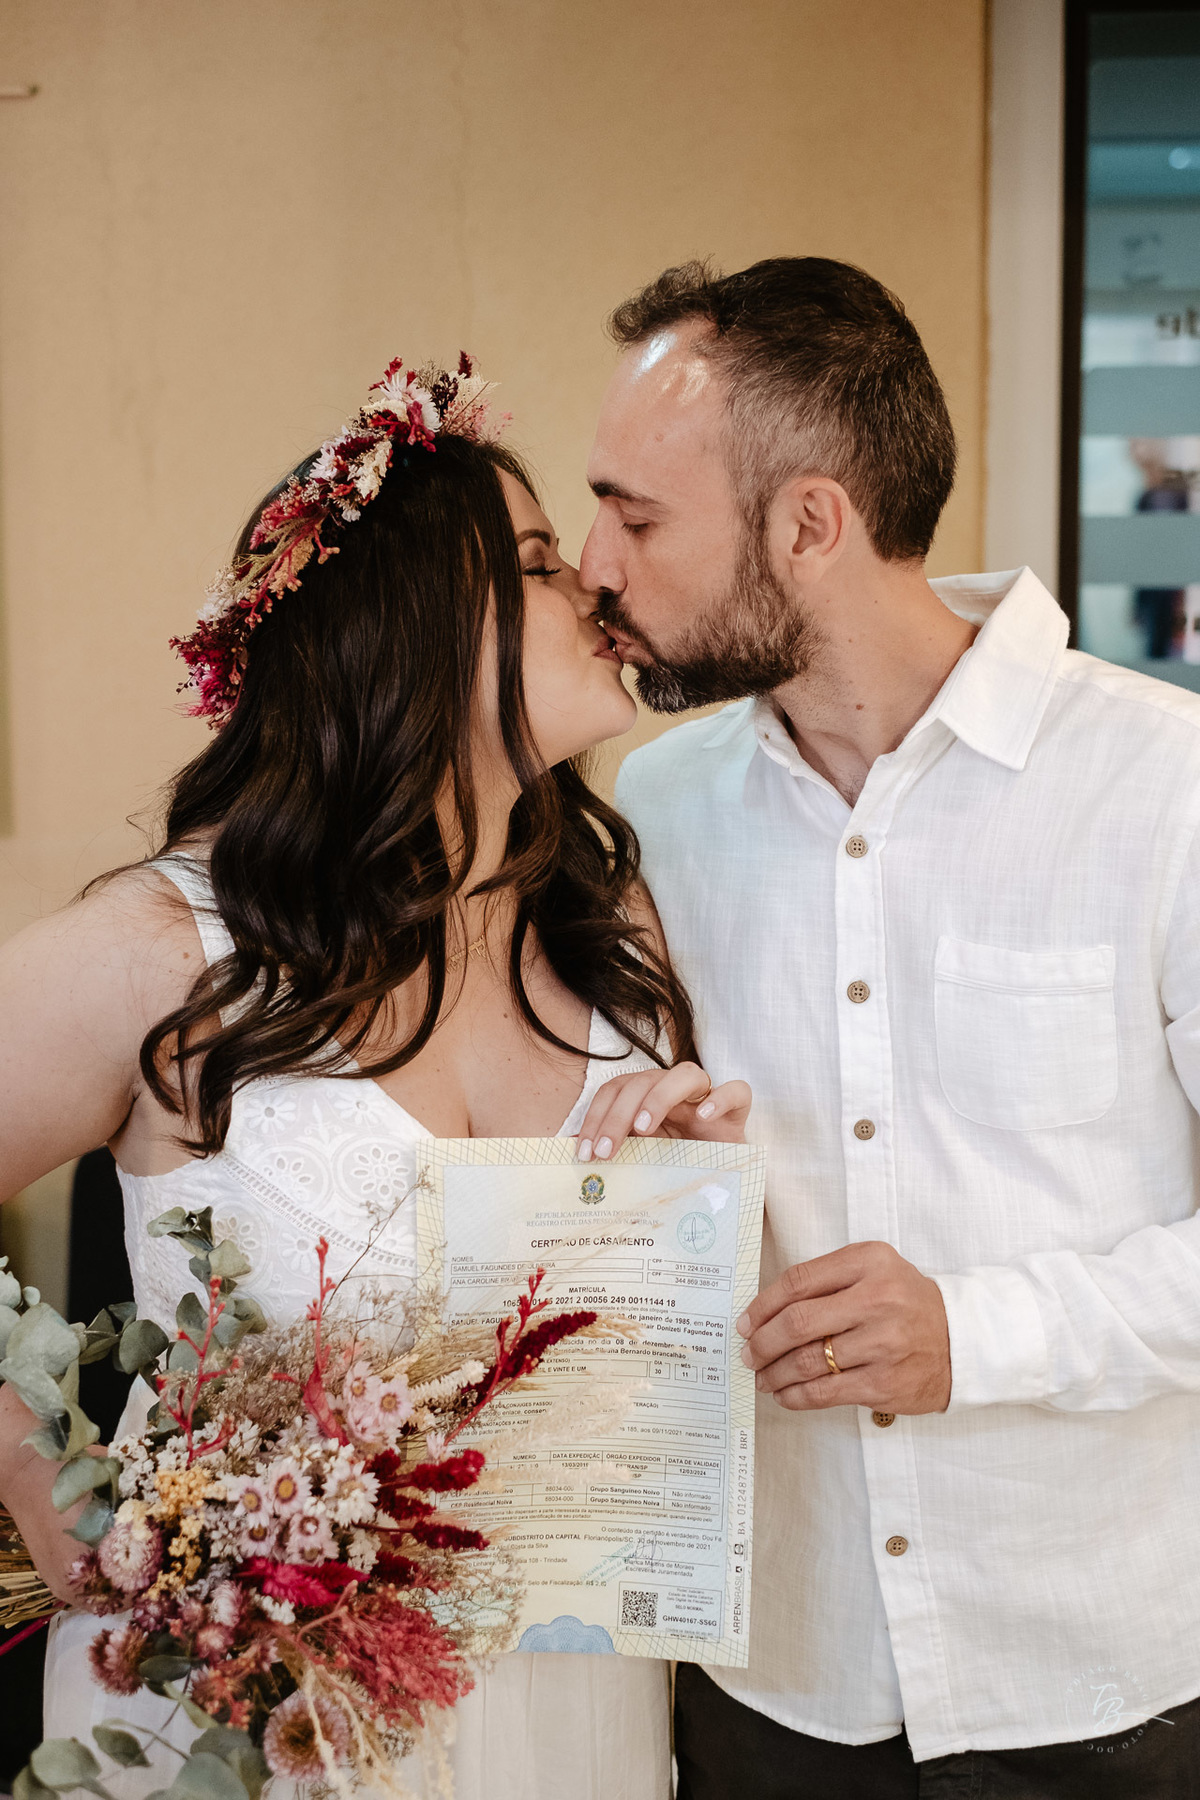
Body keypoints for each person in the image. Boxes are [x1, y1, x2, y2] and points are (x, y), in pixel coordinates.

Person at [0, 354, 751, 1800]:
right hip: (252, 1721)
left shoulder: (612, 932)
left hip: (575, 1705)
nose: (595, 586)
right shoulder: (169, 952)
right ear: (405, 627)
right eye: (536, 562)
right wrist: (49, 1481)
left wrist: (698, 1182)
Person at [581, 257, 1200, 1798]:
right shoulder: (653, 809)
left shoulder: (1168, 792)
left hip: (1101, 1684)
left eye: (638, 517)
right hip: (773, 1679)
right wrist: (654, 1169)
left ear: (809, 521)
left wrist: (972, 1335)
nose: (594, 563)